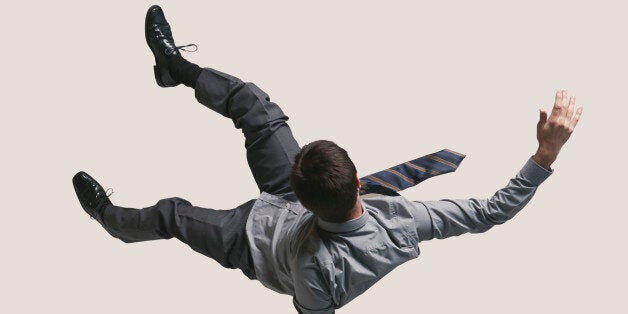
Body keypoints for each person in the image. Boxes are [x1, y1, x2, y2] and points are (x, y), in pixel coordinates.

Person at [71, 5, 583, 313]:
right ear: (359, 181)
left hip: (253, 241)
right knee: (256, 108)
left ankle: (111, 221)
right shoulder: (406, 218)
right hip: (298, 205)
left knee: (171, 215)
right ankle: (175, 67)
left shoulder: (317, 272)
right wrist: (546, 152)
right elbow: (489, 213)